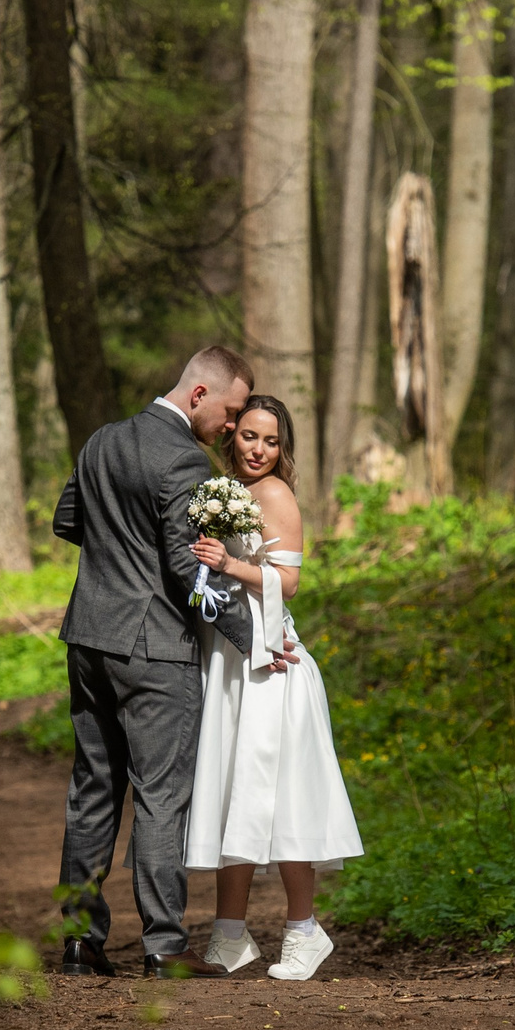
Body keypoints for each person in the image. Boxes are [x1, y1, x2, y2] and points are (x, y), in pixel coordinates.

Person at [49, 347, 284, 978]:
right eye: (232, 414)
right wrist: (257, 639)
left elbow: (67, 519)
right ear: (200, 394)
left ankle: (79, 941)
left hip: (89, 639)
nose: (233, 429)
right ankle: (163, 946)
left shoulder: (102, 440)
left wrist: (117, 550)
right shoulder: (182, 458)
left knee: (93, 790)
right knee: (160, 798)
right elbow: (188, 569)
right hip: (154, 650)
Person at [185, 395, 362, 980]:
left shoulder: (277, 496)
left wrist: (229, 565)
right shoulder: (219, 489)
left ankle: (304, 931)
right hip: (229, 660)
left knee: (283, 795)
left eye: (272, 441)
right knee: (233, 790)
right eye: (250, 437)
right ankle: (230, 934)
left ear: (283, 449)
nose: (258, 450)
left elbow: (289, 582)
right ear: (231, 436)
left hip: (270, 663)